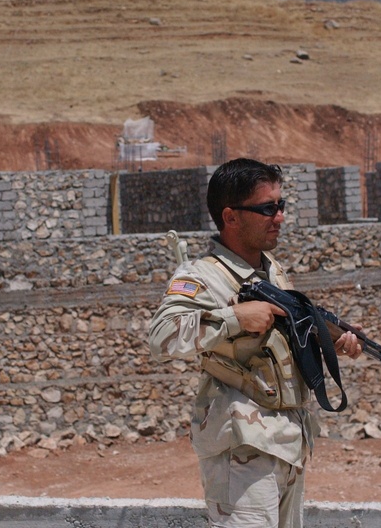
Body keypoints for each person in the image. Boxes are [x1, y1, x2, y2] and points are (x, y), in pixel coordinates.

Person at [148, 158, 362, 528]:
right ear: (230, 217)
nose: (279, 217)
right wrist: (235, 318)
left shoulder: (273, 271)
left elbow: (284, 340)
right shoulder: (201, 276)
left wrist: (332, 343)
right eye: (267, 208)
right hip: (241, 447)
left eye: (280, 206)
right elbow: (162, 337)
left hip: (288, 442)